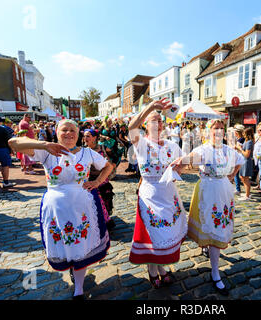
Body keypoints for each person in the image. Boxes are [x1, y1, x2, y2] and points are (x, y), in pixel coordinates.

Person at [8, 119, 114, 299]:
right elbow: (13, 143)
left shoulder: (88, 153)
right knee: (65, 244)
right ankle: (73, 271)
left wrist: (96, 182)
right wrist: (44, 144)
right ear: (57, 132)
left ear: (79, 133)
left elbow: (108, 166)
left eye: (73, 130)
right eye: (64, 129)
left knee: (81, 245)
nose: (69, 133)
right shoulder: (47, 152)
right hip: (57, 208)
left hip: (83, 206)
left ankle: (79, 287)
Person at [172, 119, 244, 295]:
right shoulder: (204, 149)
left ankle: (214, 266)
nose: (218, 131)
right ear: (208, 132)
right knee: (211, 225)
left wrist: (232, 174)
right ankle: (215, 271)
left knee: (218, 226)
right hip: (208, 190)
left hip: (224, 191)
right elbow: (192, 158)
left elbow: (240, 160)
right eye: (215, 128)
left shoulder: (228, 150)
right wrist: (180, 161)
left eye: (221, 128)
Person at [127, 98, 187, 289]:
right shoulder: (141, 143)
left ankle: (161, 267)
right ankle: (153, 270)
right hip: (150, 193)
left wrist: (179, 168)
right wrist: (150, 108)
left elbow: (182, 166)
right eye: (153, 120)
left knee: (165, 232)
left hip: (169, 192)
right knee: (153, 233)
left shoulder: (171, 144)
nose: (158, 123)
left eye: (160, 120)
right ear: (145, 124)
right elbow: (131, 126)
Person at [83, 129, 116, 231]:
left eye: (88, 136)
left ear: (94, 138)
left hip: (102, 178)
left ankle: (105, 222)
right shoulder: (83, 151)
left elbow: (115, 156)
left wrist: (113, 165)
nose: (85, 138)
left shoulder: (102, 147)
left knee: (104, 201)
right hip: (89, 179)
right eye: (84, 136)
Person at [236, 127, 255, 201]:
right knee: (242, 177)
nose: (243, 134)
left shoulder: (249, 142)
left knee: (245, 178)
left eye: (244, 133)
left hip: (246, 161)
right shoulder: (246, 141)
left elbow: (247, 154)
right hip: (243, 161)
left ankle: (247, 195)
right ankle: (247, 193)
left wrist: (240, 149)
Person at [233, 124, 245, 195]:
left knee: (238, 174)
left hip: (240, 158)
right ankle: (238, 188)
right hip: (238, 157)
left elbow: (240, 149)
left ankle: (238, 189)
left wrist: (236, 148)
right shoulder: (240, 139)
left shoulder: (241, 139)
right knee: (237, 174)